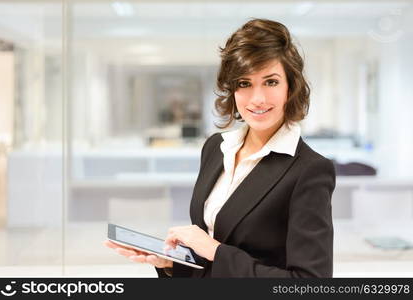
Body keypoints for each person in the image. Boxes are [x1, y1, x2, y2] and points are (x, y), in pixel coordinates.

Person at [105, 18, 335, 278]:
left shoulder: (309, 170)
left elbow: (310, 282)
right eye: (244, 84)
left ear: (290, 87)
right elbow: (212, 258)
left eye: (270, 82)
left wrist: (215, 251)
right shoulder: (217, 147)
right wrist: (173, 263)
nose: (257, 99)